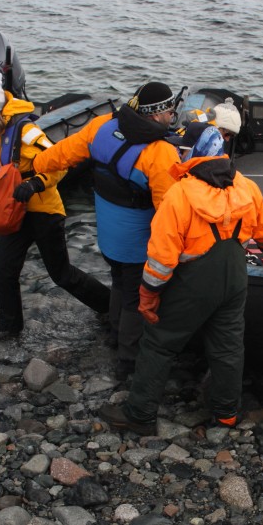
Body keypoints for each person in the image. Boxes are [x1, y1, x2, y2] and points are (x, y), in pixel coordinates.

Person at [98, 124, 263, 434]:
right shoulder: (245, 185)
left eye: (183, 147)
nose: (179, 151)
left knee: (159, 342)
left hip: (194, 280)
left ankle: (139, 414)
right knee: (228, 346)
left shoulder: (179, 194)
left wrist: (149, 297)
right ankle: (226, 414)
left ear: (194, 153)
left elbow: (162, 259)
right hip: (234, 275)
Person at [32, 81, 181, 379]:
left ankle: (114, 334)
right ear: (157, 114)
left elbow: (54, 157)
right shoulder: (161, 153)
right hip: (137, 244)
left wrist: (34, 165)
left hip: (109, 239)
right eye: (170, 110)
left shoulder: (101, 126)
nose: (173, 115)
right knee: (135, 299)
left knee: (119, 283)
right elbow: (170, 214)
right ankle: (129, 362)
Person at [0, 71, 110, 341]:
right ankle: (9, 328)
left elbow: (58, 164)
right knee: (4, 270)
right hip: (16, 213)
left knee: (61, 274)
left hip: (44, 211)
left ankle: (109, 306)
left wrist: (35, 184)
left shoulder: (27, 132)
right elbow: (6, 172)